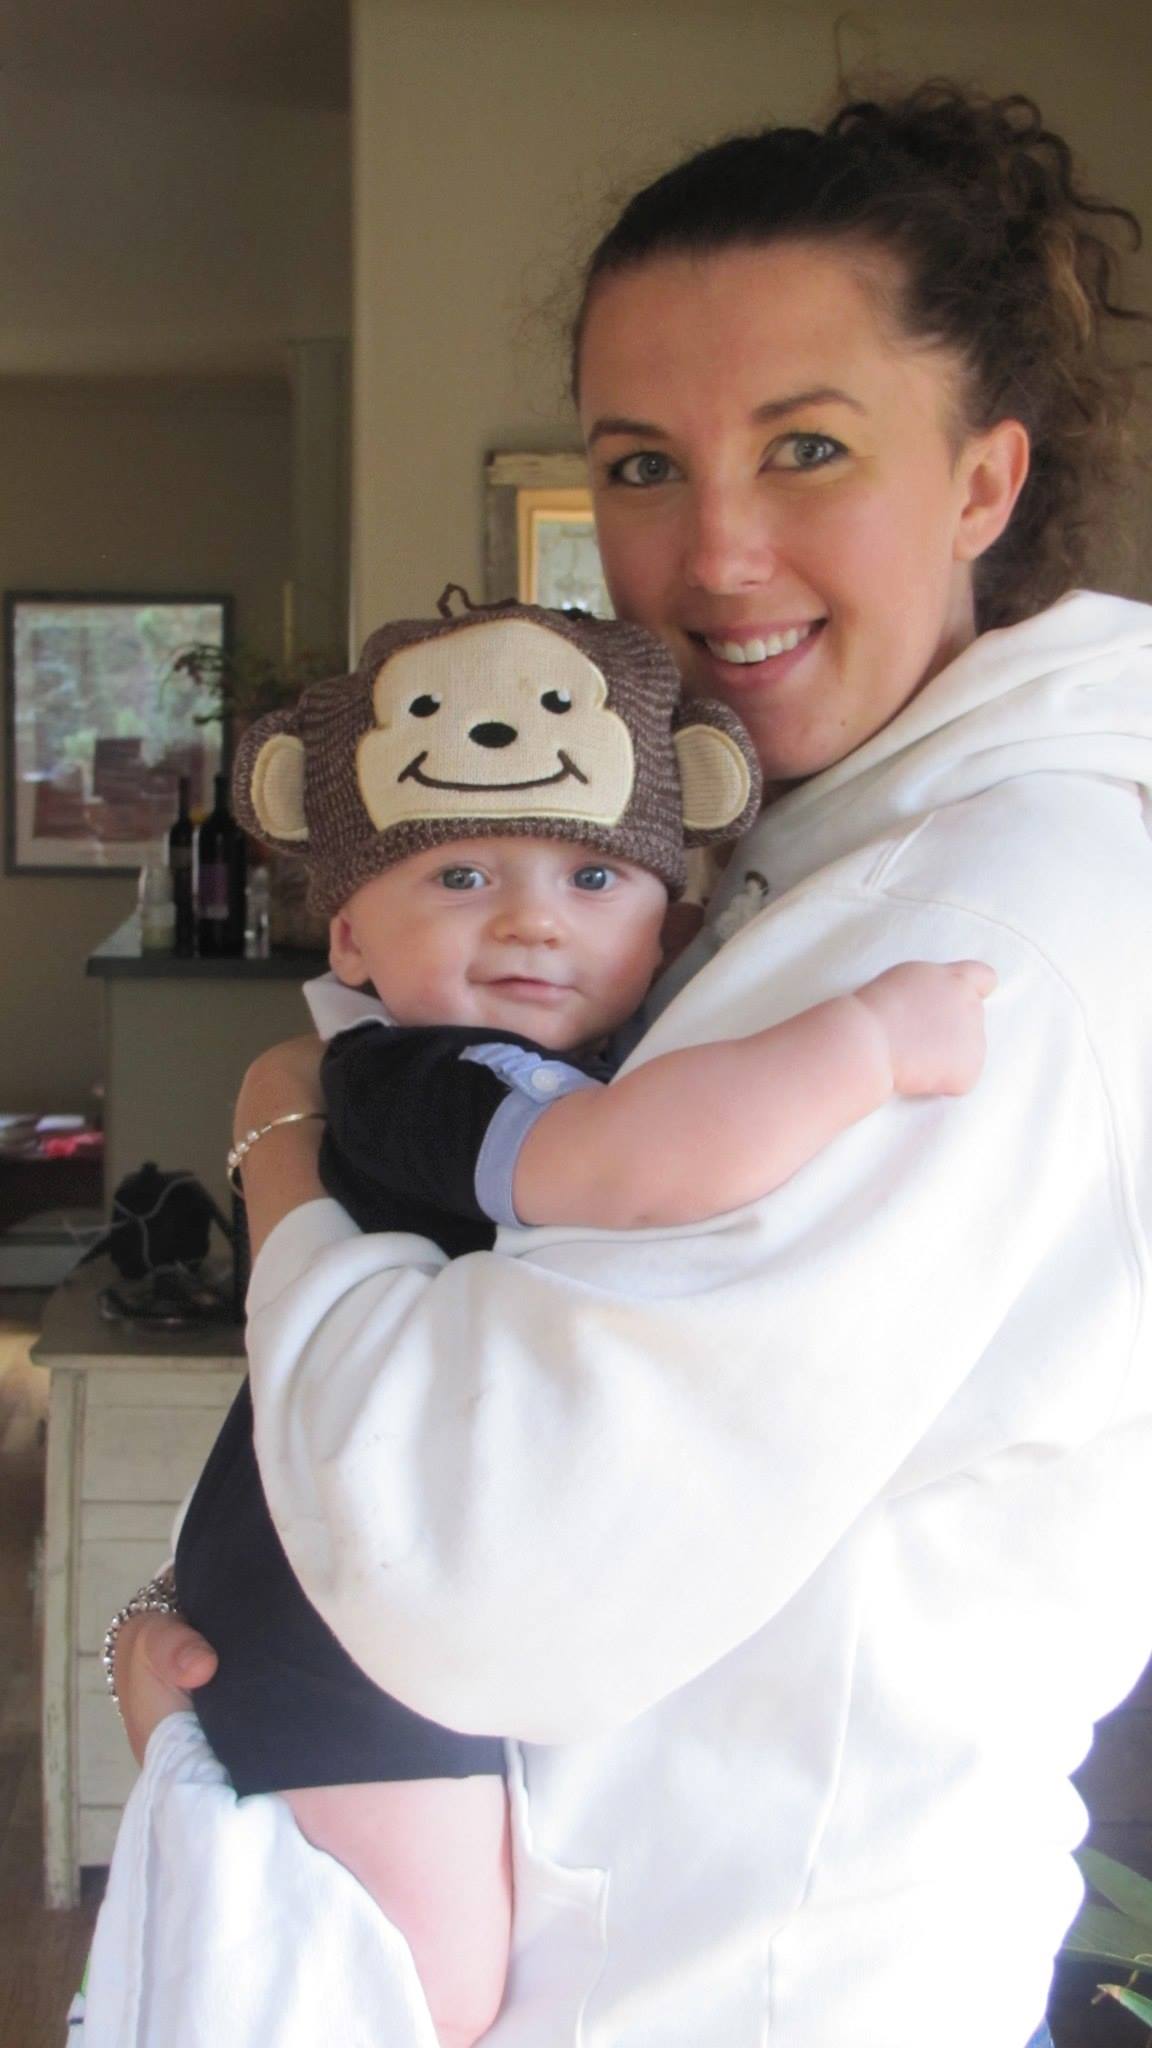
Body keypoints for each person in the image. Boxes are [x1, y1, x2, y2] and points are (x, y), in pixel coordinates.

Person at [110, 80, 1152, 2048]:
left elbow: (464, 1558)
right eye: (646, 464)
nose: (716, 551)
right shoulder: (791, 859)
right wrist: (229, 1645)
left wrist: (279, 1145)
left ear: (983, 483)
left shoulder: (977, 930)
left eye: (809, 447)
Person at [98, 595, 990, 2048]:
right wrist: (869, 1042)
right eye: (460, 873)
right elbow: (627, 1167)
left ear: (672, 915)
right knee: (411, 1998)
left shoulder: (556, 1049)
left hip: (356, 1572)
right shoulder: (422, 1074)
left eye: (593, 874)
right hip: (333, 1613)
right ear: (352, 937)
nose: (532, 919)